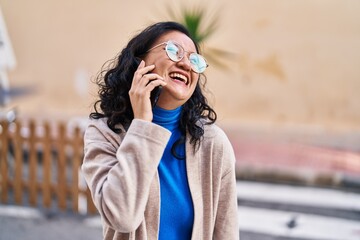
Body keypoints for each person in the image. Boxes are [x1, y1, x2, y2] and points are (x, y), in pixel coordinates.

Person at [81, 21, 239, 240]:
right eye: (174, 51)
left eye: (194, 60)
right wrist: (142, 125)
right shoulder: (105, 133)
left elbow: (226, 232)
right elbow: (121, 216)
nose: (186, 64)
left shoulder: (212, 142)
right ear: (140, 61)